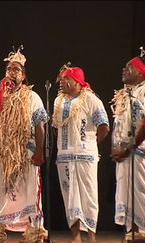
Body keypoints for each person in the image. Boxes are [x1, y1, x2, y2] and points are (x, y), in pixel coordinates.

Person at [0, 46, 49, 243]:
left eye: (16, 70)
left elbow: (40, 125)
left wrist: (39, 151)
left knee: (28, 189)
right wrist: (0, 92)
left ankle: (35, 233)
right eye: (9, 69)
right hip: (1, 149)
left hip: (25, 150)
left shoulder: (32, 96)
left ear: (23, 75)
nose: (12, 72)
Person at [52, 63, 110, 243]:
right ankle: (75, 237)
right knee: (70, 196)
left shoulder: (91, 99)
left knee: (89, 196)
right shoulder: (58, 101)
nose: (61, 82)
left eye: (66, 79)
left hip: (86, 157)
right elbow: (56, 128)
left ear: (77, 81)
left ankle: (91, 237)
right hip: (64, 157)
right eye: (61, 80)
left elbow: (104, 126)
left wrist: (90, 143)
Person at [111, 46, 145, 241]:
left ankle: (141, 230)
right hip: (124, 153)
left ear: (141, 73)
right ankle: (131, 231)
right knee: (127, 193)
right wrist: (116, 148)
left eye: (128, 68)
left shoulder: (143, 91)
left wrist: (130, 146)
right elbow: (118, 124)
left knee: (140, 191)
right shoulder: (124, 95)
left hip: (139, 151)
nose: (124, 70)